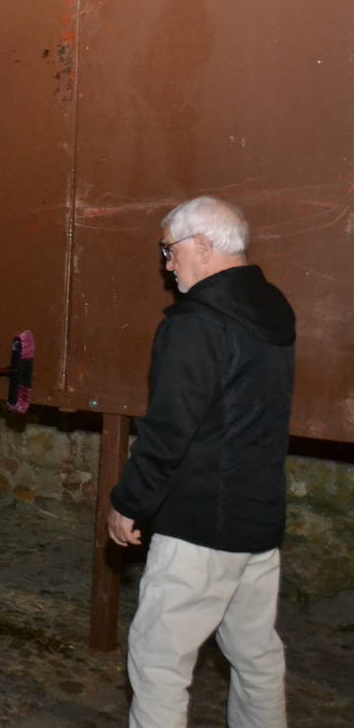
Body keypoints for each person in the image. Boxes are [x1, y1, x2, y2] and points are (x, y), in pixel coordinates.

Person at [107, 196, 294, 727]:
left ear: (204, 245)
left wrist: (129, 503)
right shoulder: (273, 307)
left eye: (169, 250)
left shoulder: (197, 324)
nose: (168, 264)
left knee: (159, 661)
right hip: (257, 518)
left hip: (201, 525)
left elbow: (168, 431)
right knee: (255, 655)